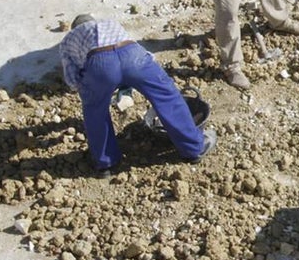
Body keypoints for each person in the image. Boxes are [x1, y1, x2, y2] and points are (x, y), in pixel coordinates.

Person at [59, 14, 215, 172]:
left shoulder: (69, 39)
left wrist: (92, 91)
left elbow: (73, 80)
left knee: (95, 111)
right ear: (93, 20)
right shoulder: (109, 21)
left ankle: (106, 164)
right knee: (167, 96)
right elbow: (133, 53)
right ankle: (194, 149)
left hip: (99, 64)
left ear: (75, 28)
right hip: (132, 55)